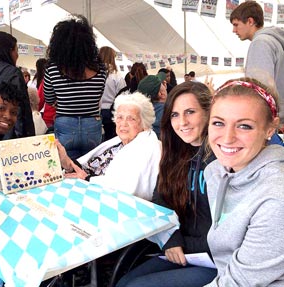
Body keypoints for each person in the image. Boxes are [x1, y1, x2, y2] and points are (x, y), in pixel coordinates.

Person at [117, 81, 217, 287]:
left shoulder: (223, 157)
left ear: (208, 113)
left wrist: (179, 243)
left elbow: (229, 231)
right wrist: (171, 239)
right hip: (183, 251)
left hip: (217, 260)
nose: (182, 122)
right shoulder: (174, 153)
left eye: (190, 112)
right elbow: (160, 198)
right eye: (175, 114)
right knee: (123, 282)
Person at [204, 78, 284, 286]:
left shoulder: (276, 198)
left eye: (245, 126)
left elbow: (241, 282)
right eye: (219, 123)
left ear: (270, 129)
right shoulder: (214, 172)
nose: (228, 138)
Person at [57, 92, 161, 201]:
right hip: (88, 192)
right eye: (120, 117)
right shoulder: (119, 142)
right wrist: (67, 162)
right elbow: (88, 167)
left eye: (131, 119)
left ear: (144, 124)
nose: (123, 124)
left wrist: (86, 179)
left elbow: (126, 189)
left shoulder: (145, 148)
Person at [44, 15, 107, 159]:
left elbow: (49, 99)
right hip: (92, 123)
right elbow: (98, 95)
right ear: (88, 43)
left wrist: (63, 102)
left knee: (67, 167)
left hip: (65, 122)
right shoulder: (100, 69)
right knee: (91, 166)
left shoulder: (53, 68)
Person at [230, 1, 284, 124]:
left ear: (250, 21)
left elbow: (260, 89)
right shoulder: (273, 41)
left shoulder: (260, 43)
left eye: (236, 25)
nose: (234, 30)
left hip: (269, 120)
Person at [99, 46, 126, 141]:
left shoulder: (93, 74)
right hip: (112, 110)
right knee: (112, 140)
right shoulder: (116, 76)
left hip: (96, 111)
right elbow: (123, 94)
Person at [137, 72, 167, 138]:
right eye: (163, 84)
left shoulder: (138, 114)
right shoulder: (170, 112)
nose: (165, 85)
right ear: (161, 94)